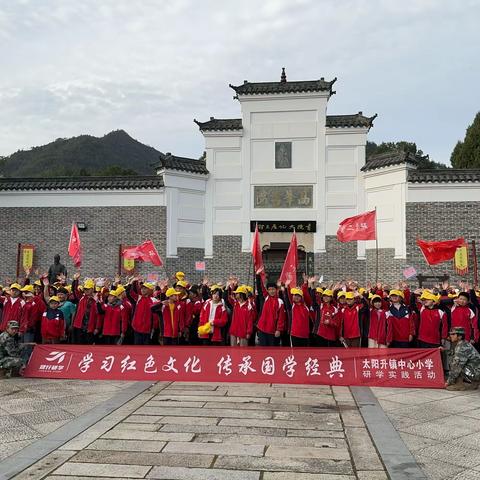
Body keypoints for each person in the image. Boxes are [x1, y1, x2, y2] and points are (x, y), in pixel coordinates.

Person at [255, 279, 286, 347]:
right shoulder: (265, 297)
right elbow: (260, 288)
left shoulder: (280, 301)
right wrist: (258, 275)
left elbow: (281, 318)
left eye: (273, 289)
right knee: (263, 351)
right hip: (262, 329)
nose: (271, 291)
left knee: (273, 352)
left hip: (273, 331)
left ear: (276, 290)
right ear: (267, 291)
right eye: (269, 289)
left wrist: (278, 330)